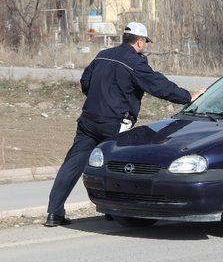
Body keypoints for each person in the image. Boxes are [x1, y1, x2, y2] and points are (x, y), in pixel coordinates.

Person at [44, 22, 206, 227]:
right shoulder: (136, 63)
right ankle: (114, 210)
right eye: (145, 42)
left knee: (72, 165)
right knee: (116, 166)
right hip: (114, 124)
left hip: (88, 120)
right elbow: (159, 86)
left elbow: (86, 82)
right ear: (139, 42)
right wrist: (188, 97)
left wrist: (98, 99)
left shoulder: (102, 54)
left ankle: (54, 213)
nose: (145, 46)